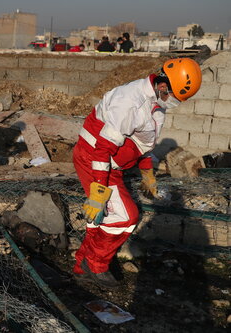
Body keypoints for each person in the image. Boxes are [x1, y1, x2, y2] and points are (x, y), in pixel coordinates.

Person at [72, 58, 202, 289]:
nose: (175, 103)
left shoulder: (155, 105)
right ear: (163, 87)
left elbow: (142, 144)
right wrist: (98, 189)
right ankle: (96, 264)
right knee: (126, 217)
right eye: (175, 97)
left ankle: (81, 265)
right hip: (95, 160)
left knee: (102, 217)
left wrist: (147, 174)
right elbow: (103, 148)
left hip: (111, 164)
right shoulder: (129, 103)